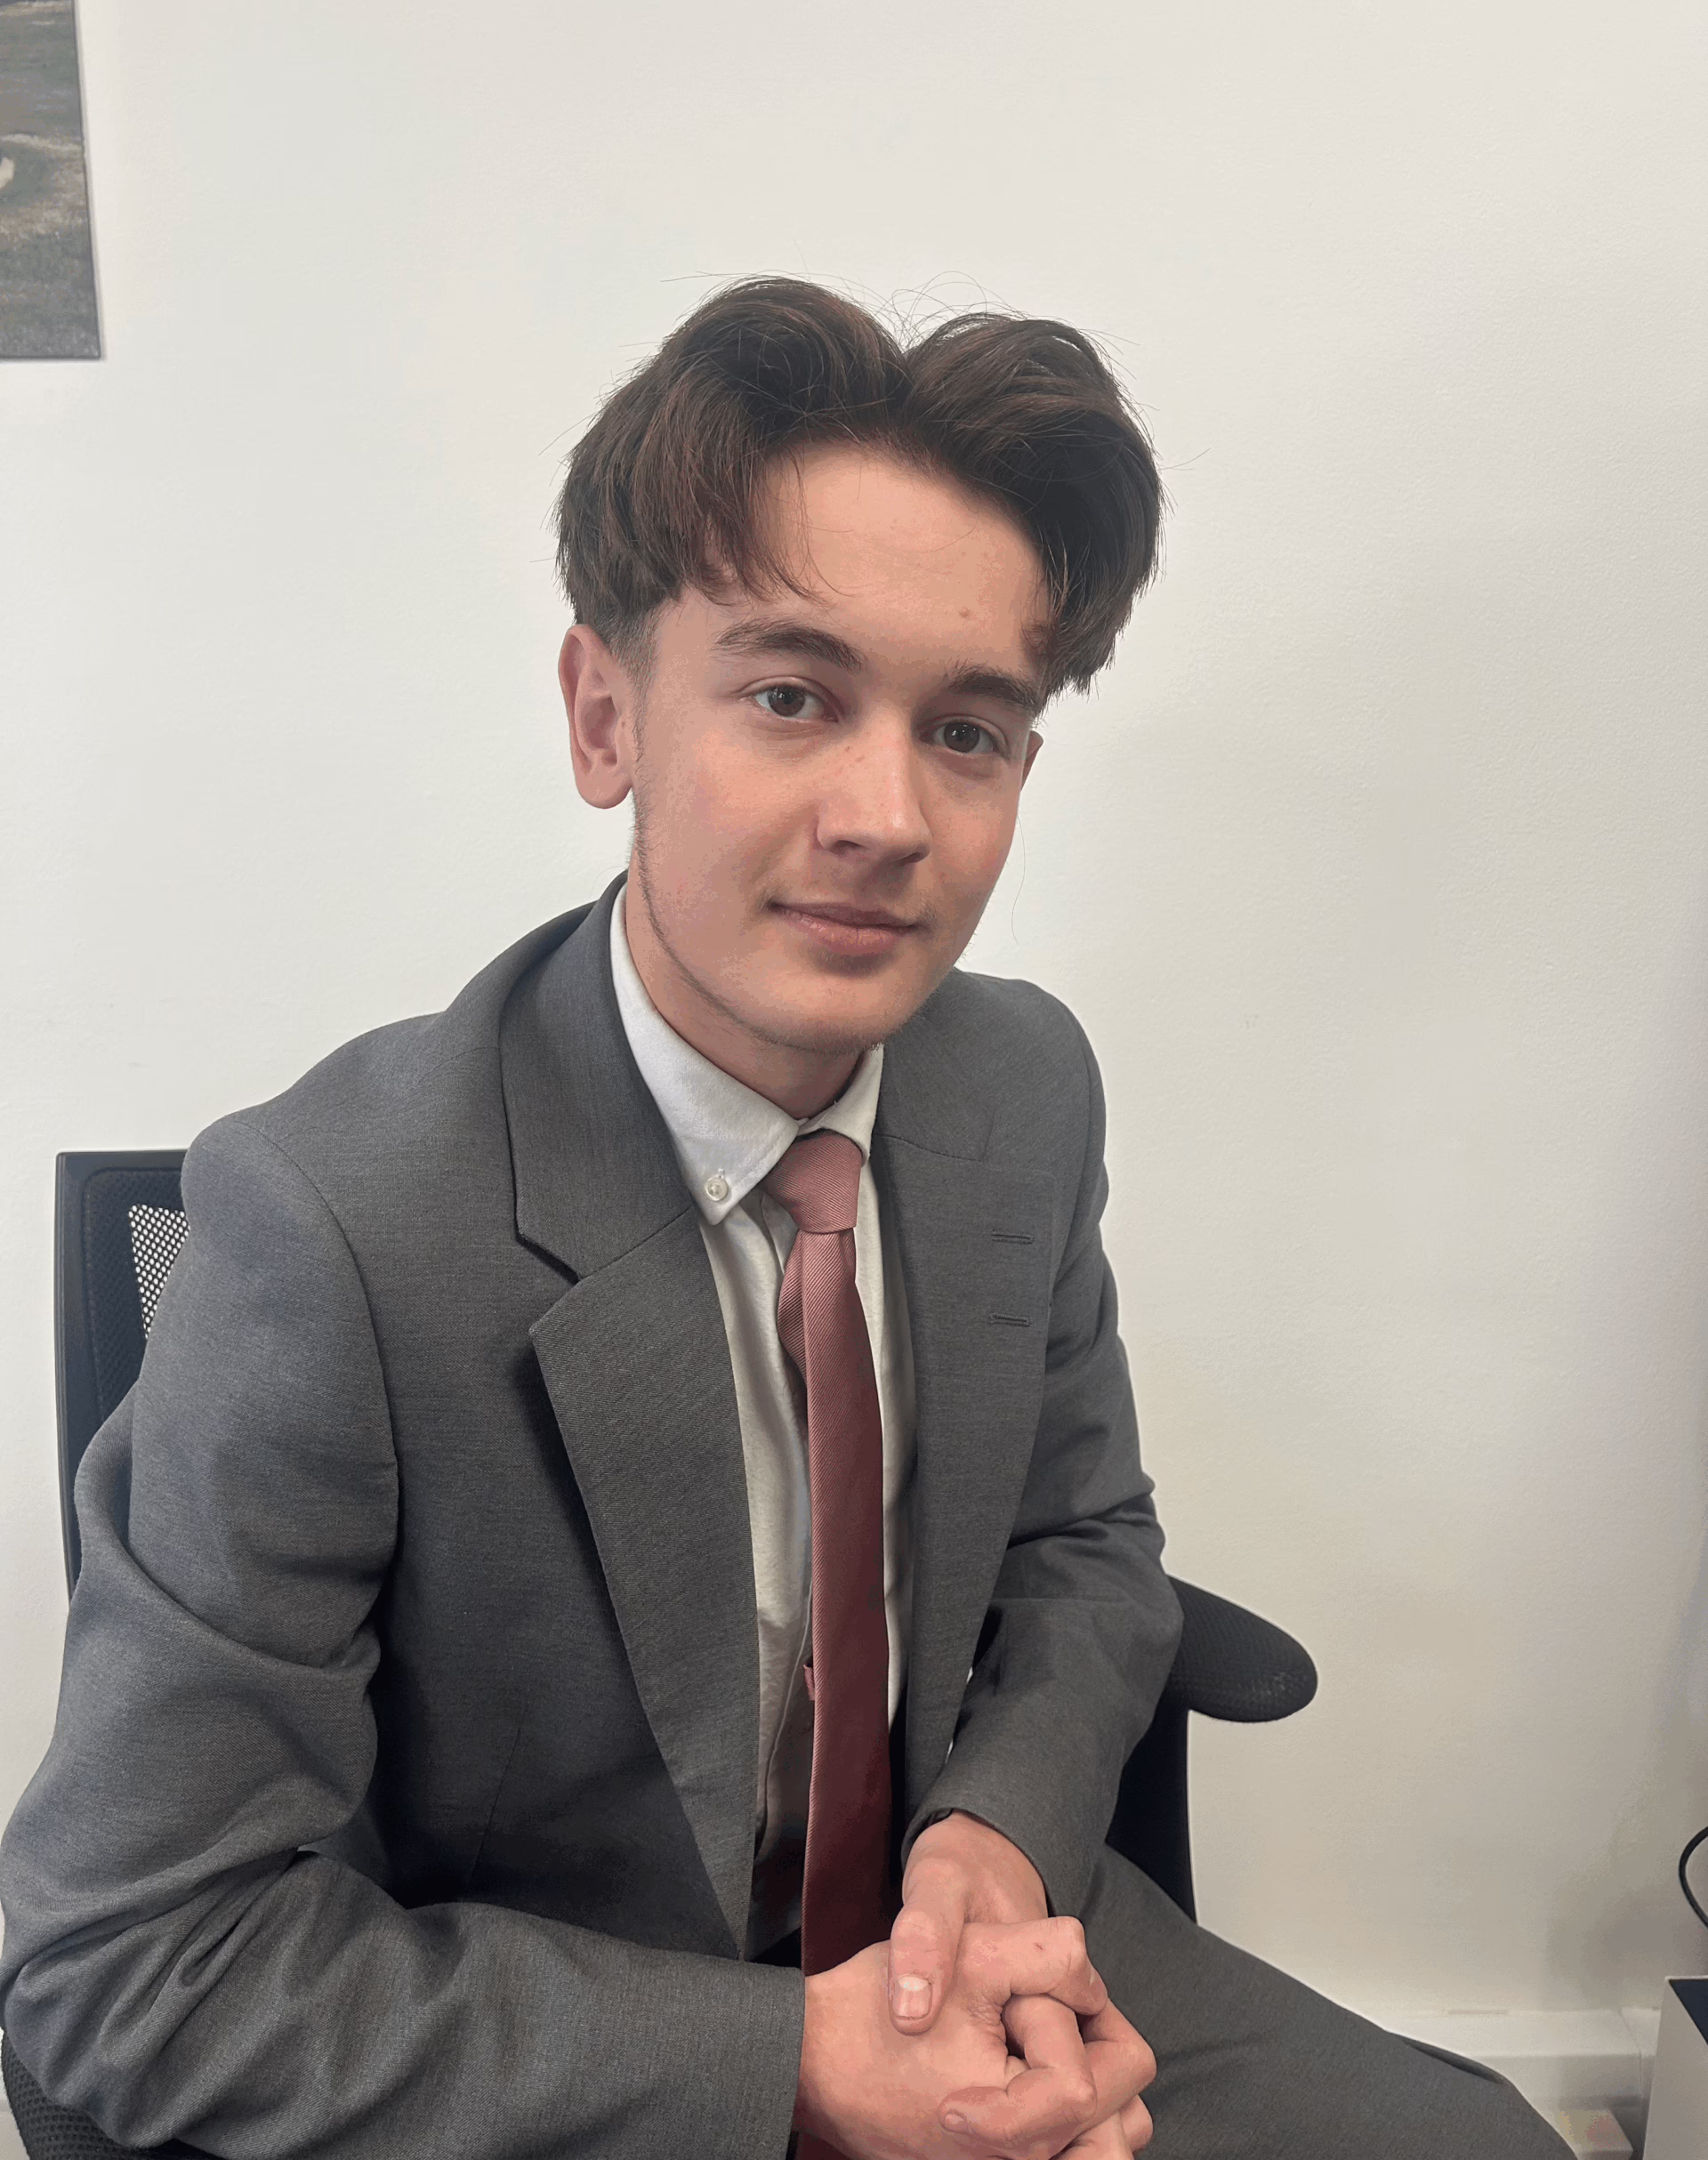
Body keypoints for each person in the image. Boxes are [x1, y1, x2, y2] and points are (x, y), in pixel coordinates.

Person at [0, 278, 1567, 2159]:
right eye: (791, 694)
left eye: (968, 730)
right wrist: (793, 2071)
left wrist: (992, 1843)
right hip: (574, 2043)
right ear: (606, 714)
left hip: (955, 1946)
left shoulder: (1021, 1087)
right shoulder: (332, 1224)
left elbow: (1083, 1541)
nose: (886, 814)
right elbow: (125, 1957)